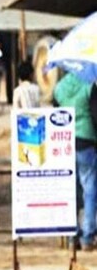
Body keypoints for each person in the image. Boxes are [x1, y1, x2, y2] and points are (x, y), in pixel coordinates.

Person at [54, 72, 97, 251]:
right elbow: (95, 116)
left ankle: (72, 235)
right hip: (86, 142)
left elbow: (55, 113)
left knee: (69, 189)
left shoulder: (59, 86)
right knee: (89, 188)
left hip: (64, 142)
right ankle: (88, 236)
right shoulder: (90, 85)